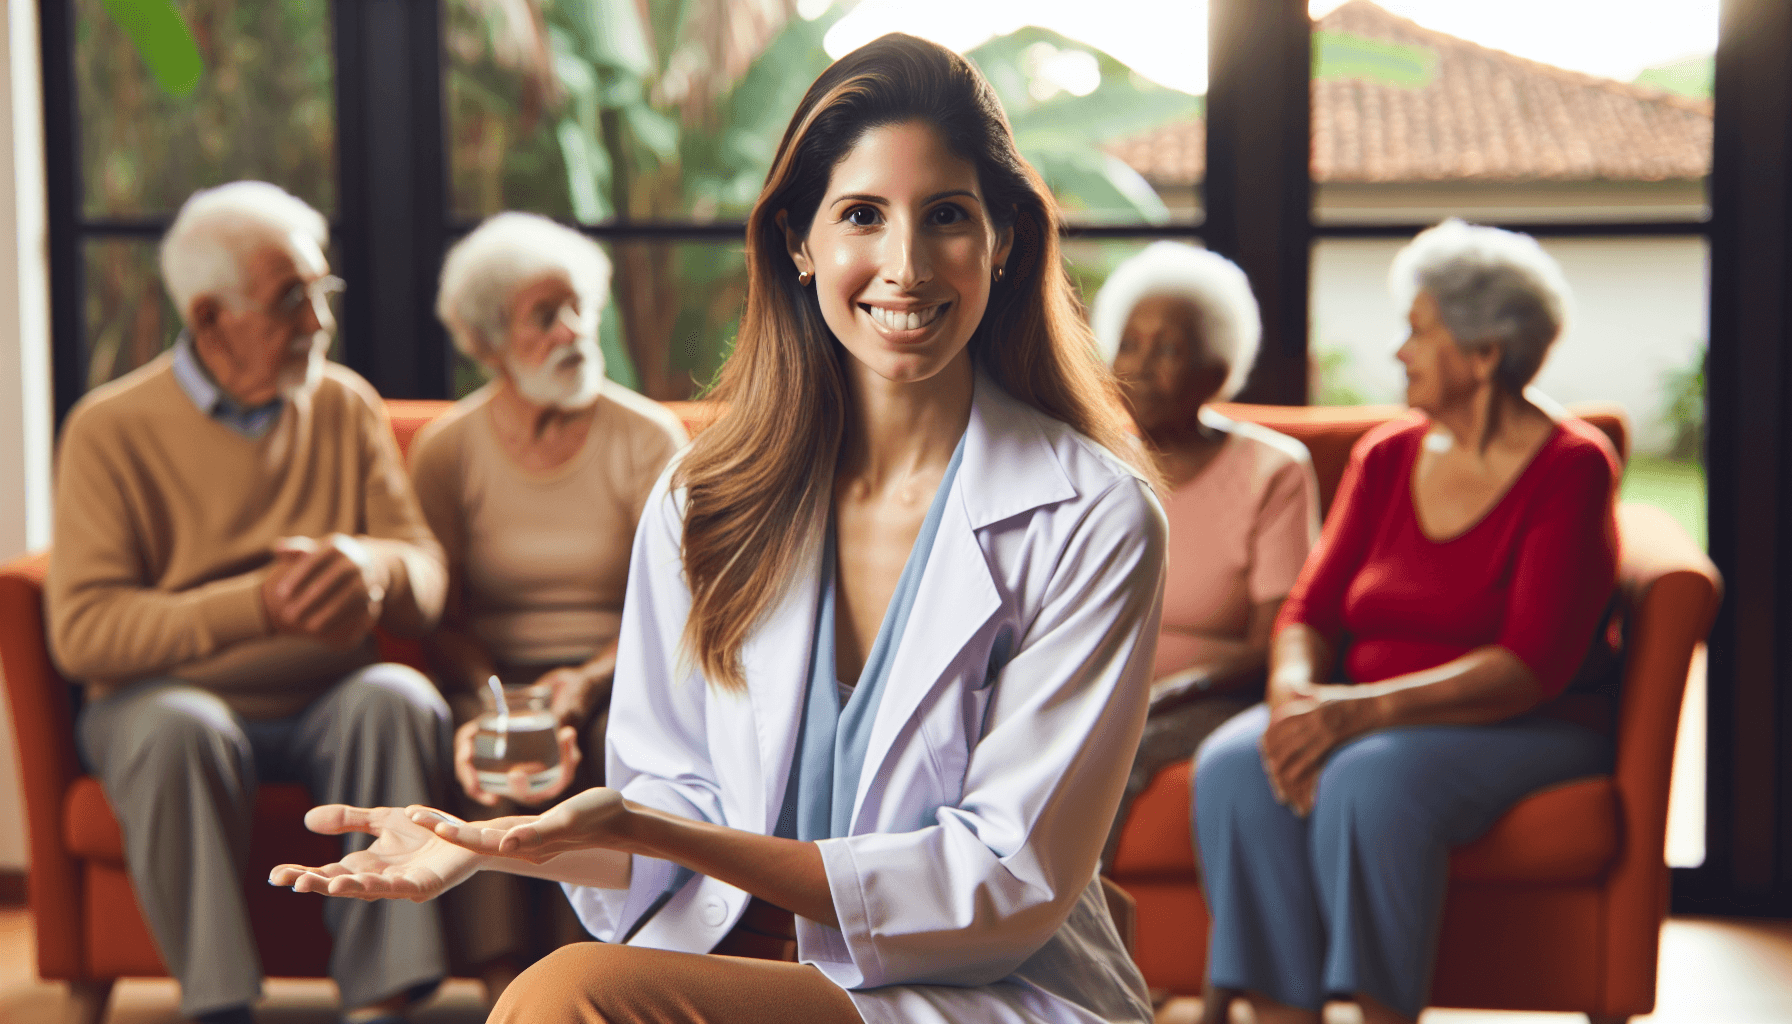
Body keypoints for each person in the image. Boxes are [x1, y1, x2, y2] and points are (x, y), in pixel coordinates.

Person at [272, 33, 1168, 1024]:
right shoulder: (704, 499)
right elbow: (674, 806)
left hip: (979, 993)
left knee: (567, 997)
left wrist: (678, 841)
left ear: (1001, 240)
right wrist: (499, 841)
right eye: (861, 214)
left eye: (947, 216)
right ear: (798, 241)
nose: (904, 265)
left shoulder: (1094, 515)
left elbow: (1000, 880)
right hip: (744, 964)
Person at [1192, 219, 1620, 1024]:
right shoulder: (1385, 457)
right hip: (1367, 710)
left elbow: (1531, 663)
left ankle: (1383, 1011)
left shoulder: (1571, 466)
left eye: (1418, 332)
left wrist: (1360, 711)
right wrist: (1294, 696)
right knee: (1233, 763)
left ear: (1485, 353)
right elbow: (1308, 610)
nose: (1399, 352)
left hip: (1525, 723)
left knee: (1370, 778)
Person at [45, 181, 452, 1024]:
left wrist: (373, 567)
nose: (318, 323)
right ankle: (220, 1005)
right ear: (208, 319)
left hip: (325, 699)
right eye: (289, 301)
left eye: (320, 291)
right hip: (161, 704)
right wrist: (257, 606)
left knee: (399, 698)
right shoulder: (108, 429)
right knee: (179, 729)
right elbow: (82, 633)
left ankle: (388, 996)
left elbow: (426, 572)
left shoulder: (346, 406)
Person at [410, 211, 688, 994]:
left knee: (614, 737)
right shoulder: (447, 452)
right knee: (492, 746)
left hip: (620, 668)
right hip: (490, 671)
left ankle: (591, 980)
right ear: (488, 341)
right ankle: (506, 988)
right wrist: (497, 698)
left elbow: (675, 608)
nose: (573, 330)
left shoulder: (647, 438)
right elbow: (443, 619)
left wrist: (586, 682)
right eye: (544, 316)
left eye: (579, 308)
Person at [1090, 242, 1319, 867]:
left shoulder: (1273, 470)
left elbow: (1275, 640)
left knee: (1110, 752)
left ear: (1217, 370)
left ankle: (1069, 943)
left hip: (1212, 700)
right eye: (1130, 344)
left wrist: (1172, 690)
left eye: (1167, 349)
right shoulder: (1089, 462)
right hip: (1101, 689)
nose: (1138, 367)